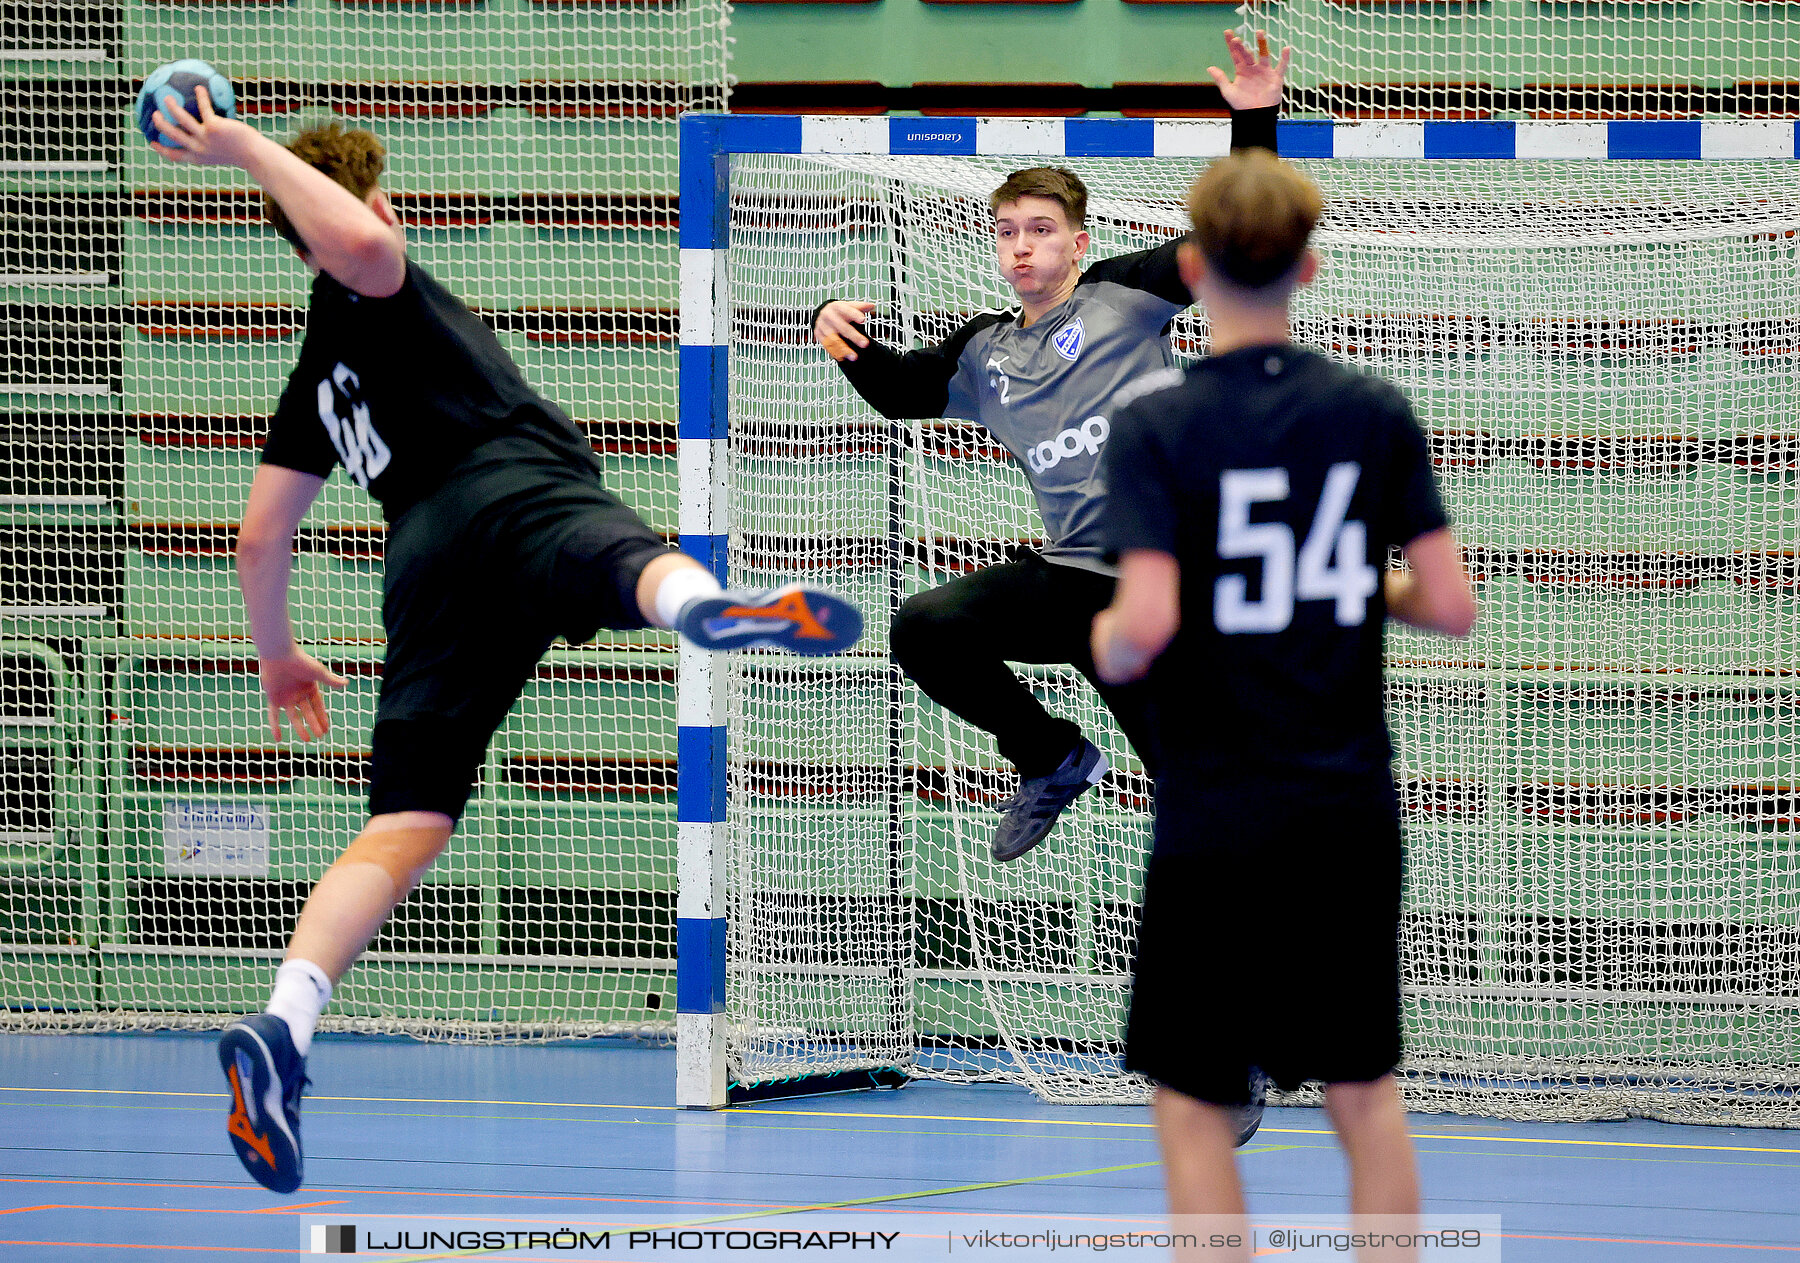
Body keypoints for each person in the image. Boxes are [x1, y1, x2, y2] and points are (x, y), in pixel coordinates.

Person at [147, 92, 863, 1195]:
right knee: (626, 563)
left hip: (423, 564)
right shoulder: (377, 286)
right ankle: (708, 611)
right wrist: (239, 145)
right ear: (356, 205)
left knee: (407, 818)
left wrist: (277, 654)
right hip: (514, 494)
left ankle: (287, 1023)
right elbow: (367, 243)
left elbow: (260, 533)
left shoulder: (316, 370)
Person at [1089, 149, 1476, 1259]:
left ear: (1196, 267)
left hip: (1218, 810)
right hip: (1347, 807)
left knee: (1194, 1096)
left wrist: (1106, 633)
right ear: (1309, 267)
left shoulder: (1157, 426)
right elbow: (1449, 604)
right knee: (1364, 1091)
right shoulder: (1371, 410)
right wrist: (1357, 583)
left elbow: (1146, 624)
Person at [813, 32, 1291, 866]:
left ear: (1077, 239)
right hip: (1070, 578)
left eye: (1041, 229)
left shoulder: (1125, 295)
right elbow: (901, 391)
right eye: (1007, 232)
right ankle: (1051, 756)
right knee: (925, 628)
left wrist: (1254, 121)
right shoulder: (983, 352)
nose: (1022, 245)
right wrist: (840, 332)